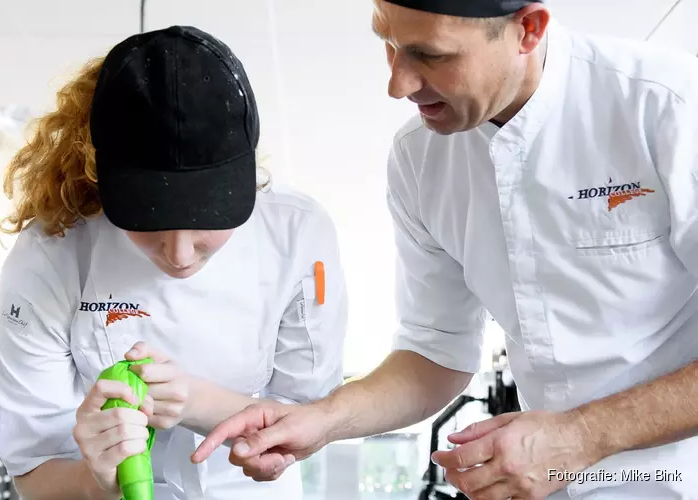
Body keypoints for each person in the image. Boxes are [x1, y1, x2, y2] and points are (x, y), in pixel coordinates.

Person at [192, 1, 698, 499]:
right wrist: (321, 420)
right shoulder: (420, 156)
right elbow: (435, 349)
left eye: (430, 55)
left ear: (528, 29)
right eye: (387, 45)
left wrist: (580, 436)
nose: (397, 84)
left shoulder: (669, 107)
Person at [0, 25, 348, 500]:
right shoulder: (51, 255)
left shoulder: (296, 235)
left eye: (209, 222)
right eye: (148, 222)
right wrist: (98, 483)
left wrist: (193, 401)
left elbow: (308, 423)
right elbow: (35, 473)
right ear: (105, 179)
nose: (179, 256)